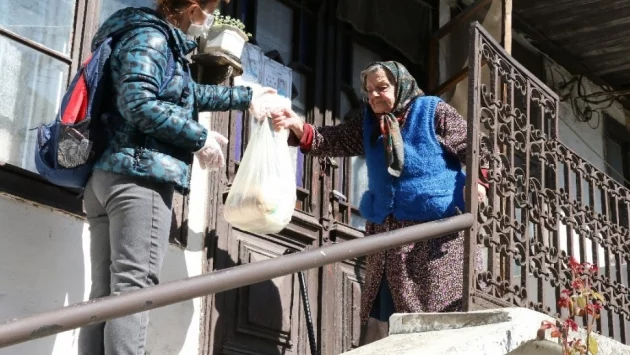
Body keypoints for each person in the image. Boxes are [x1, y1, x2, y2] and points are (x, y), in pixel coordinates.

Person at [78, 1, 275, 354]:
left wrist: (246, 97)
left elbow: (187, 94)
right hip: (139, 178)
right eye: (210, 9)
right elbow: (138, 103)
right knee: (133, 290)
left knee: (105, 296)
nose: (211, 19)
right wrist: (198, 137)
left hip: (109, 176)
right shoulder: (152, 37)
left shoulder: (148, 37)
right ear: (193, 8)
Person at [271, 61, 488, 344]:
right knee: (384, 324)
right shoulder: (369, 124)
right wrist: (299, 126)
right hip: (387, 242)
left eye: (382, 88)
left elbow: (475, 147)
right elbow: (333, 139)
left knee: (433, 324)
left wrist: (479, 183)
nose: (374, 96)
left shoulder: (432, 111)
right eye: (369, 90)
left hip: (435, 238)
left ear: (401, 86)